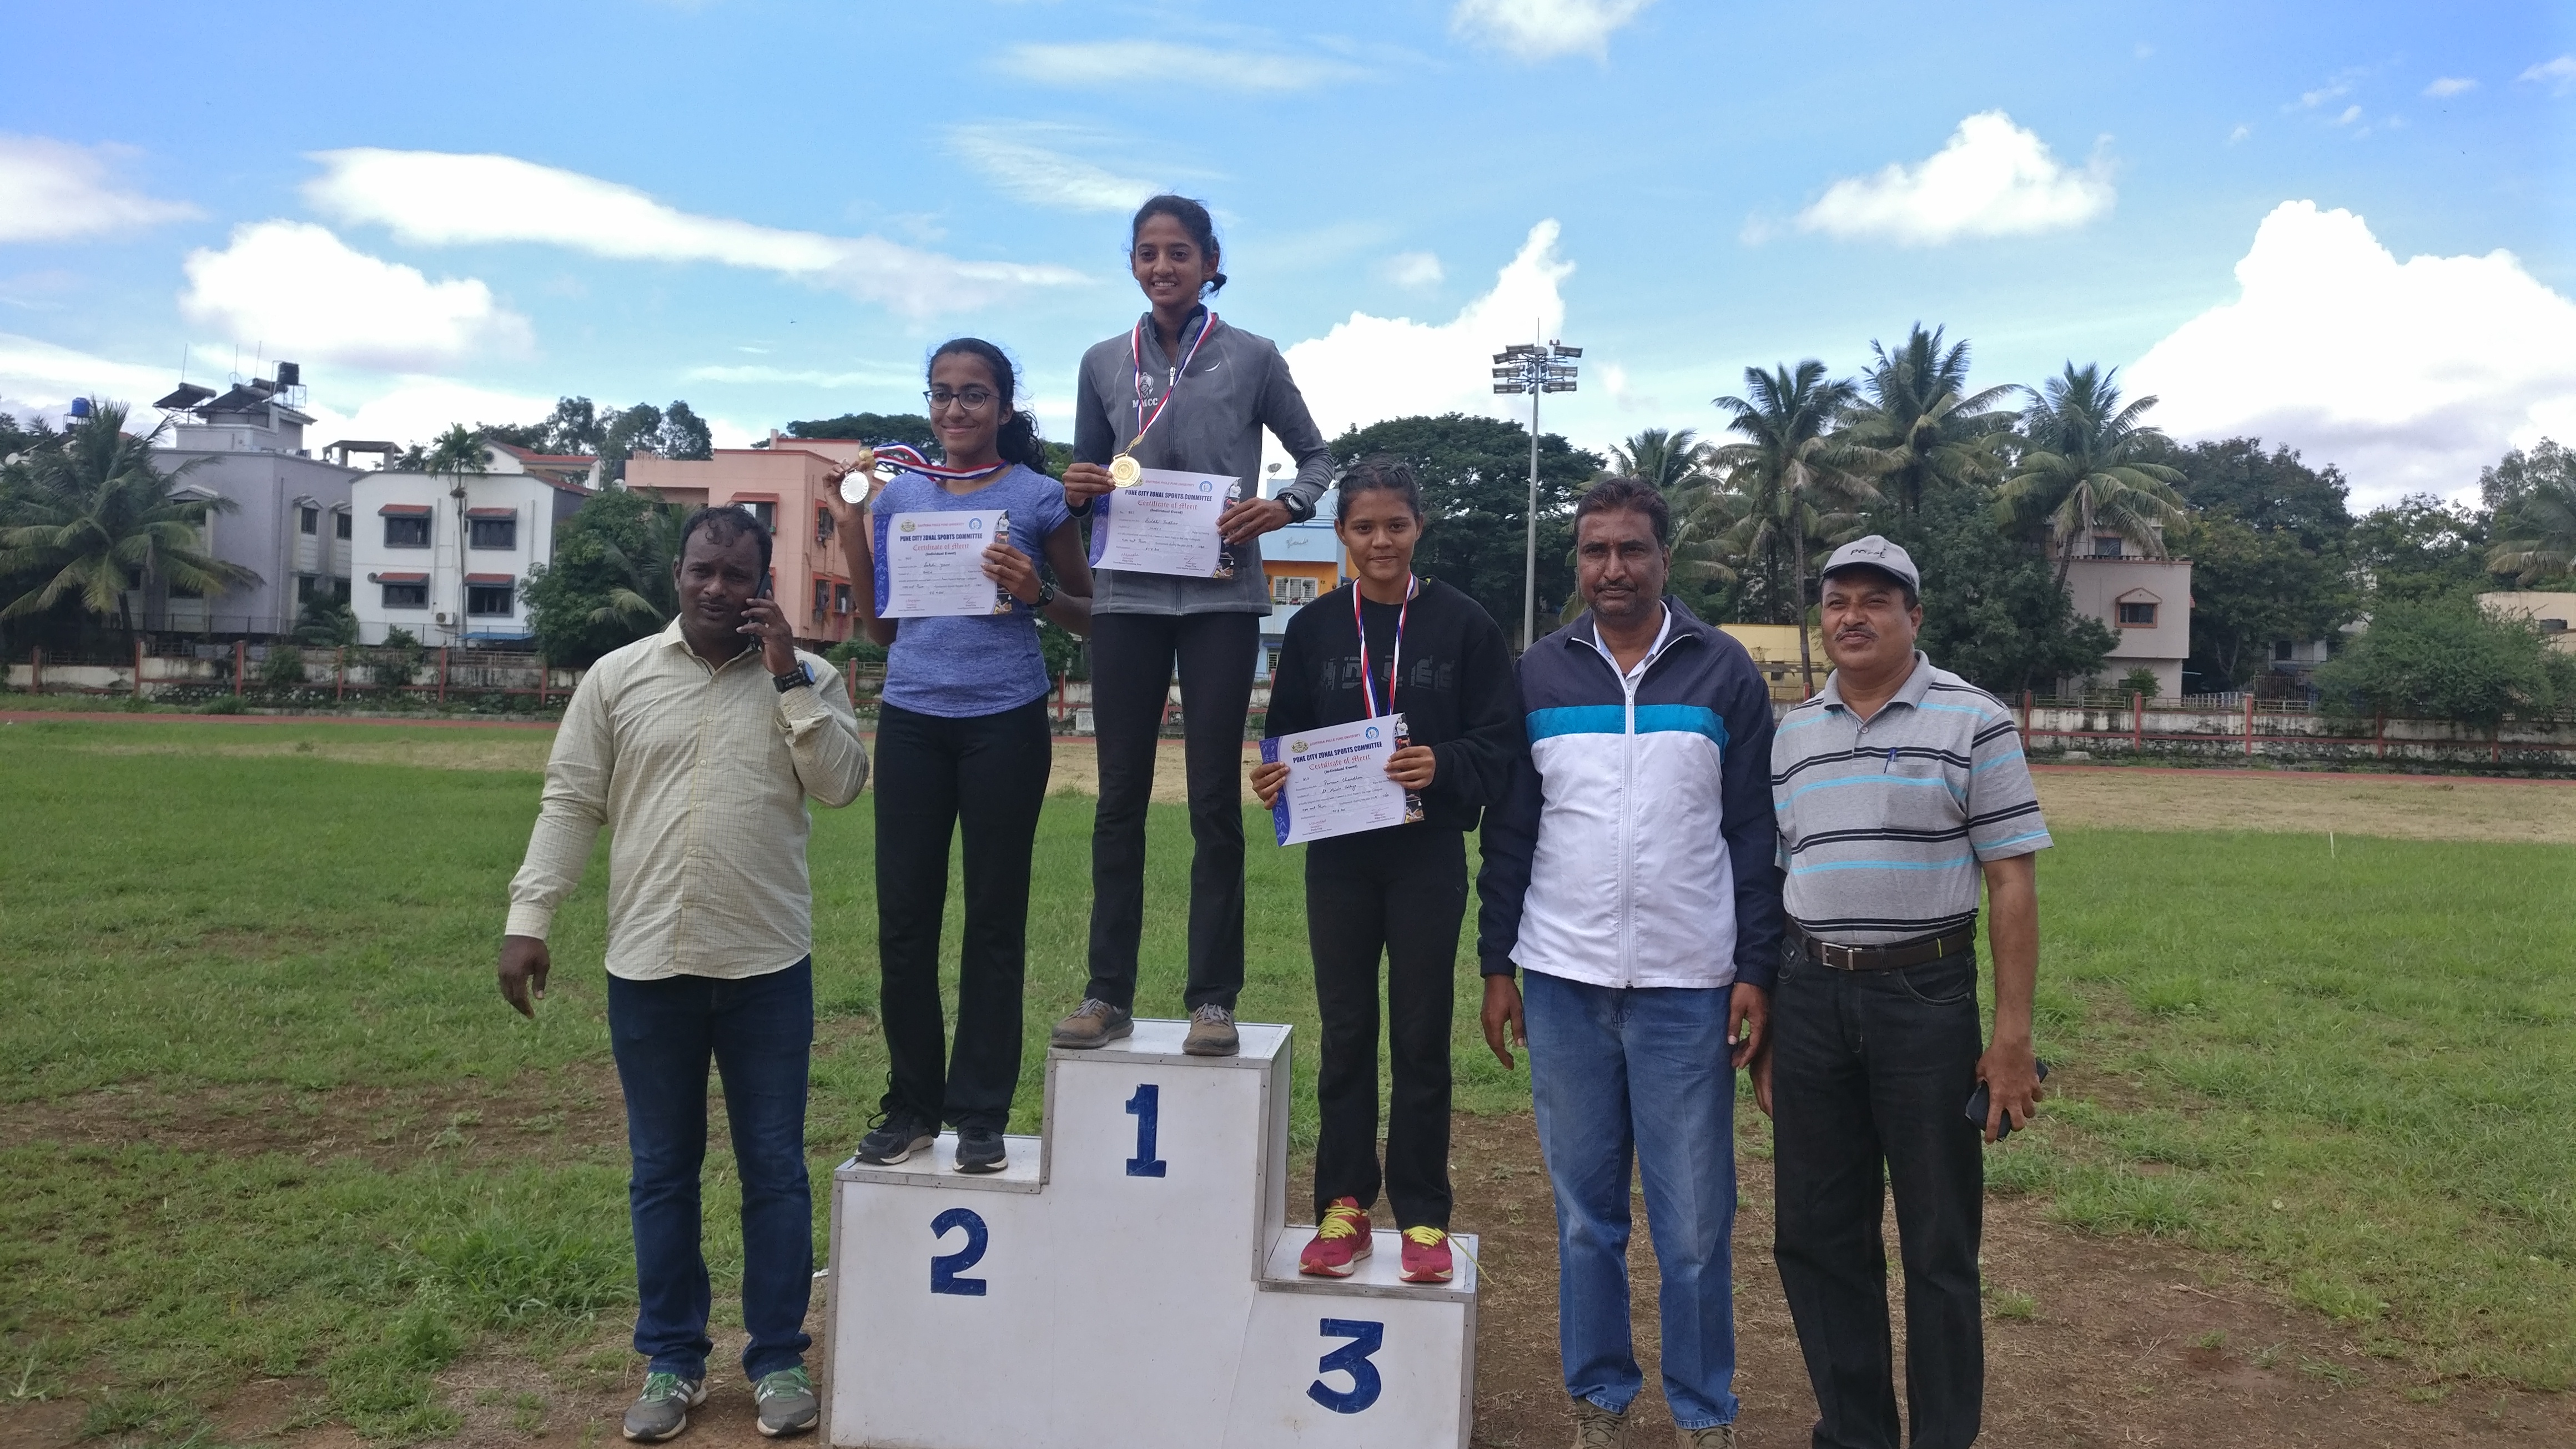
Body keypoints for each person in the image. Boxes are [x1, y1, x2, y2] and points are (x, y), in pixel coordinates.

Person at [496, 506, 868, 1442]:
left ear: (762, 581)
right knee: (663, 1172)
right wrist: (528, 919)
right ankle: (672, 1358)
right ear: (678, 571)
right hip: (649, 965)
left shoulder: (815, 677)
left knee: (775, 1171)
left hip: (766, 966)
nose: (717, 588)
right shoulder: (618, 678)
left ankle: (779, 1354)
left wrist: (787, 677)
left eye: (737, 575)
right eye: (703, 569)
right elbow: (571, 798)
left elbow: (843, 783)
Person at [1475, 477, 1783, 1449]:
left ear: (1664, 559)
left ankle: (1703, 1413)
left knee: (1694, 1228)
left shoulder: (1724, 672)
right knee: (1583, 1220)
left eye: (1631, 550)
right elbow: (1512, 833)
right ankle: (1599, 1403)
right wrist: (1496, 963)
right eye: (1594, 550)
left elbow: (1752, 832)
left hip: (1689, 987)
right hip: (1562, 981)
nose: (1612, 567)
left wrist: (1756, 968)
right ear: (1578, 561)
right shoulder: (1539, 674)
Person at [1760, 536, 2049, 1449]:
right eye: (1838, 600)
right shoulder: (1794, 731)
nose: (1853, 615)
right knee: (1816, 1234)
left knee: (1937, 1244)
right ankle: (1855, 1434)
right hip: (1810, 998)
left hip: (1925, 1000)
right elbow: (1784, 875)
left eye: (1876, 600)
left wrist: (2010, 1040)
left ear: (1913, 616)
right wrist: (1770, 1023)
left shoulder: (1976, 719)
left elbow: (2011, 881)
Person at [1051, 193, 1335, 1058]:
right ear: (1132, 264)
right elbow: (1086, 472)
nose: (1163, 266)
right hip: (1128, 598)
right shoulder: (1104, 359)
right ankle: (1109, 992)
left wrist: (1284, 505)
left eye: (1180, 252)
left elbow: (1319, 457)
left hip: (1220, 597)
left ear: (1212, 262)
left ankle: (1214, 998)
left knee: (1214, 798)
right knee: (1119, 801)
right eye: (1147, 253)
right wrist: (1078, 487)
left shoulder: (1252, 356)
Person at [820, 340, 1094, 1175]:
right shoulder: (897, 496)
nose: (955, 410)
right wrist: (848, 525)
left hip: (1004, 720)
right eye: (941, 395)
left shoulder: (1040, 497)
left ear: (1004, 407)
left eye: (974, 395)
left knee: (993, 921)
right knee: (904, 921)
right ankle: (910, 1104)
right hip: (911, 718)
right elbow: (885, 630)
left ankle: (980, 1112)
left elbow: (1091, 616)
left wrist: (1037, 591)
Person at [1247, 456, 1522, 1285]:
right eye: (1363, 527)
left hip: (1426, 855)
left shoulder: (1465, 625)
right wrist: (1273, 778)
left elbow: (1501, 745)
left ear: (1419, 528)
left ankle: (1425, 1213)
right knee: (1347, 1029)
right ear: (1340, 534)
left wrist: (1442, 762)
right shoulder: (1315, 630)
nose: (1379, 541)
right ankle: (1344, 1202)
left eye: (1394, 525)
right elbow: (1286, 735)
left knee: (1419, 1030)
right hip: (1339, 859)